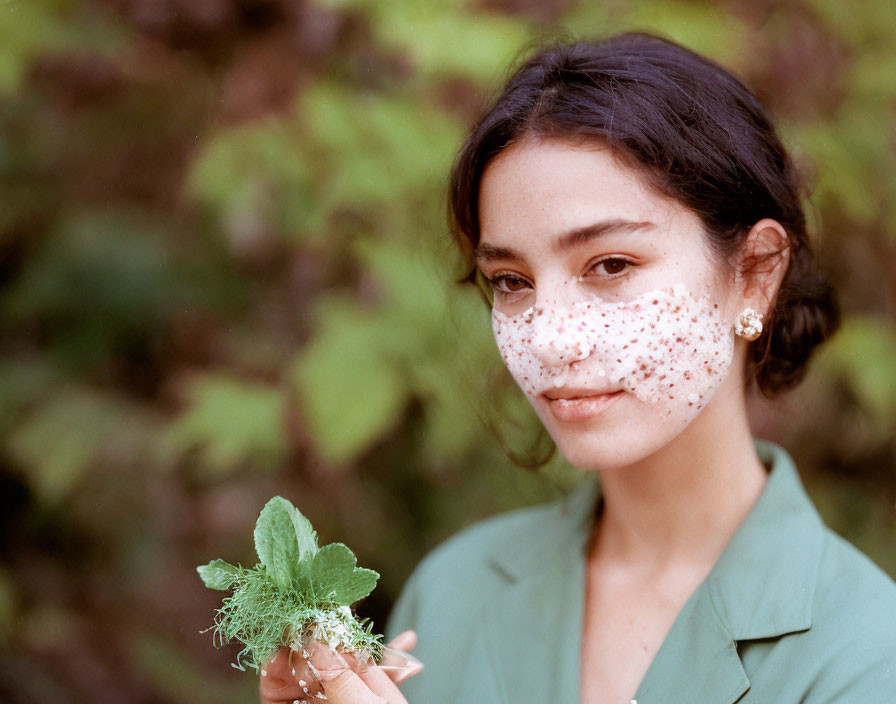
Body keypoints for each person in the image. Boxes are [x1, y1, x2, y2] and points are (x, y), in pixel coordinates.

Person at [260, 32, 896, 703]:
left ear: (755, 275)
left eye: (611, 265)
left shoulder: (866, 653)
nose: (553, 341)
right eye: (511, 281)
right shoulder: (454, 593)